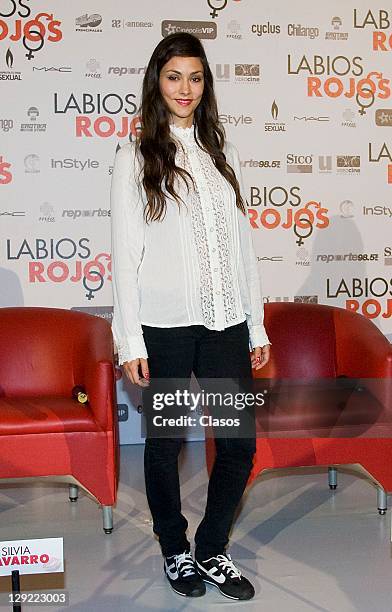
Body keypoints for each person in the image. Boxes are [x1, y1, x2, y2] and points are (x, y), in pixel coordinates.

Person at [110, 32, 271, 601]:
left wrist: (255, 324)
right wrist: (130, 339)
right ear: (158, 82)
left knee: (238, 444)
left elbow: (242, 248)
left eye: (196, 77)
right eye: (175, 76)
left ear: (206, 84)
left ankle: (211, 549)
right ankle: (175, 549)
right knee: (166, 443)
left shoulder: (218, 156)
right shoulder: (135, 155)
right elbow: (125, 255)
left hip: (226, 323)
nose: (186, 88)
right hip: (166, 328)